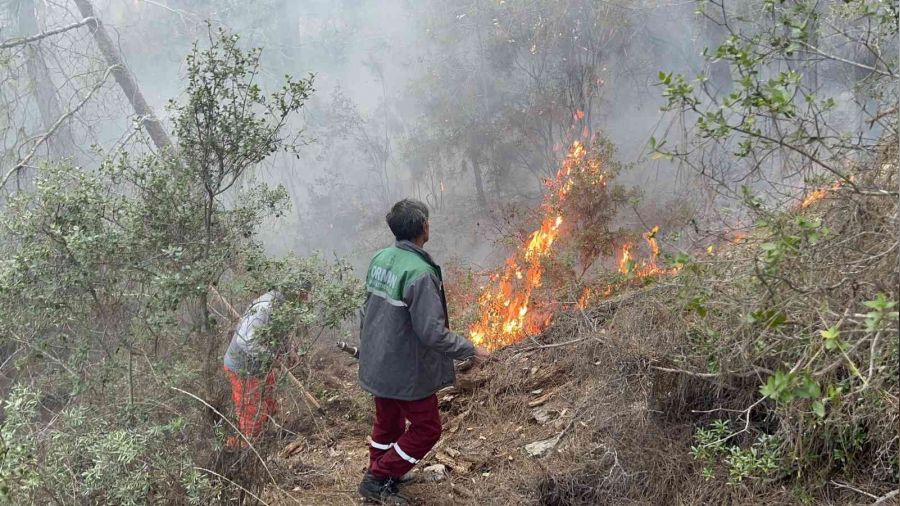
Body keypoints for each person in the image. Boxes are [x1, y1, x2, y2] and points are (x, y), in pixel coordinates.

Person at [357, 199, 489, 504]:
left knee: (387, 423)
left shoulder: (380, 258)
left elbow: (365, 312)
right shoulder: (420, 273)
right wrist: (471, 350)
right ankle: (378, 478)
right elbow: (432, 333)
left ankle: (381, 474)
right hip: (404, 369)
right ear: (424, 227)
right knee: (427, 428)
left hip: (378, 361)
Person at [223, 283, 308, 449]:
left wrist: (287, 352)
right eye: (306, 294)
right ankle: (236, 451)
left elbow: (277, 333)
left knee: (270, 407)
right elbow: (246, 340)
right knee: (251, 421)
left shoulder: (284, 306)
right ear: (297, 291)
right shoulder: (266, 307)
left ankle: (267, 440)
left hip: (261, 367)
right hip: (243, 369)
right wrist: (272, 359)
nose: (307, 299)